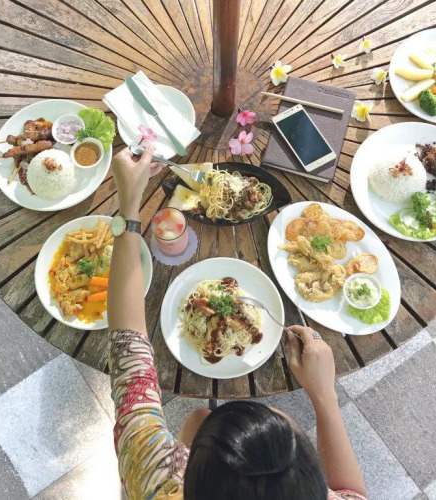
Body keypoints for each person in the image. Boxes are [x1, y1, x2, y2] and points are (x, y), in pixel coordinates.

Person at [107, 145, 367, 500]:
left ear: (186, 474)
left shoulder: (156, 479)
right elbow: (353, 493)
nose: (272, 412)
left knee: (199, 419)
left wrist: (129, 206)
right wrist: (324, 396)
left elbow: (127, 348)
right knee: (201, 419)